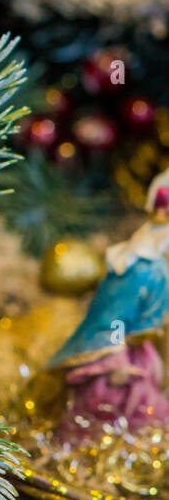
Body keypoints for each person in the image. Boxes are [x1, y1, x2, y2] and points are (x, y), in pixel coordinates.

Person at [48, 168, 169, 443]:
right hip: (119, 363)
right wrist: (115, 362)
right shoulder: (142, 270)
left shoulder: (156, 267)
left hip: (138, 354)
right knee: (115, 414)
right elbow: (114, 317)